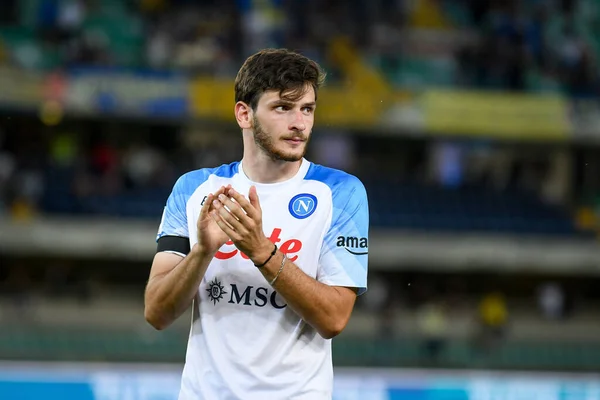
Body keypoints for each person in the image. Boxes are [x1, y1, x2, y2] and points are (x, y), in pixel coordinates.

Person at [144, 48, 369, 400]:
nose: (300, 123)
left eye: (307, 109)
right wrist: (203, 252)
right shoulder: (194, 189)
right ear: (244, 114)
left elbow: (334, 319)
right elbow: (156, 312)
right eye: (283, 107)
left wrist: (261, 250)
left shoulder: (340, 192)